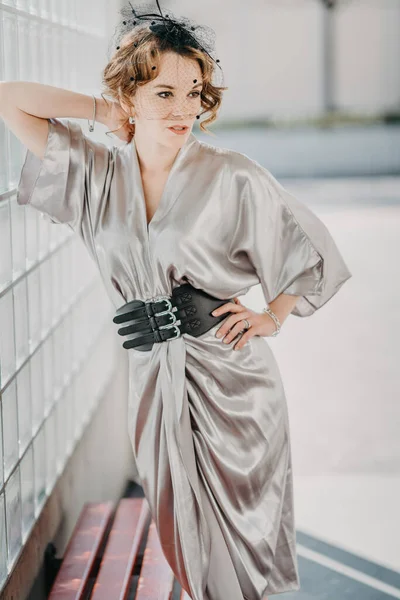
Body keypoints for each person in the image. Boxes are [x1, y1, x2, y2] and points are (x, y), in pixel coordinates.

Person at [0, 3, 352, 598]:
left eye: (194, 91)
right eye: (164, 93)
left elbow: (307, 250)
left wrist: (271, 317)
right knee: (181, 537)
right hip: (151, 383)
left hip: (232, 382)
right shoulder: (94, 175)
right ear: (129, 95)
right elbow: (10, 97)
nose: (185, 109)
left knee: (242, 544)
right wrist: (99, 113)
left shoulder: (232, 174)